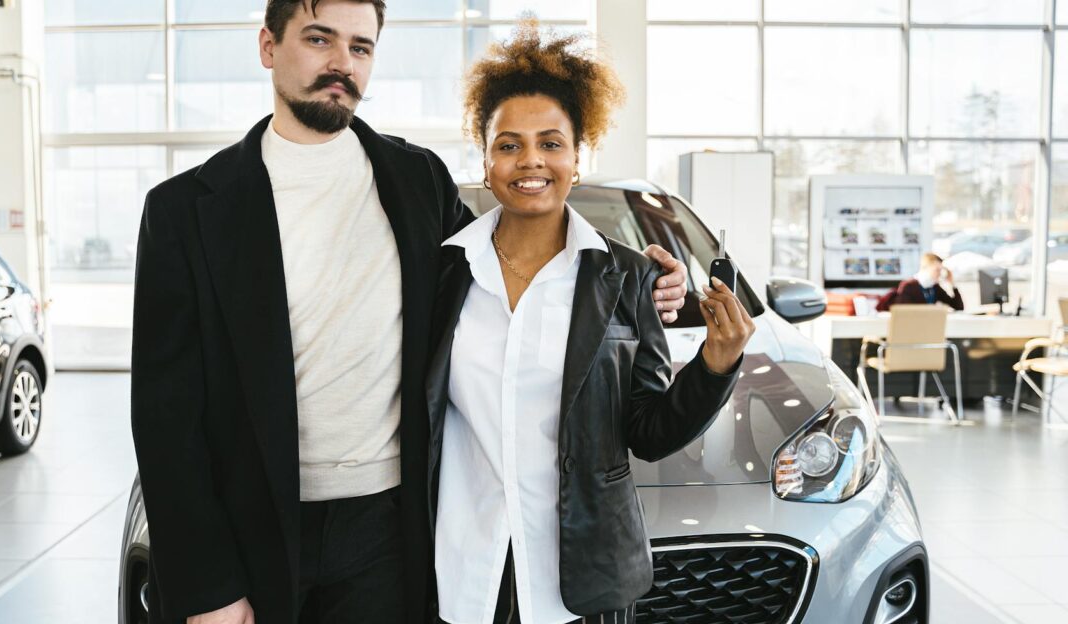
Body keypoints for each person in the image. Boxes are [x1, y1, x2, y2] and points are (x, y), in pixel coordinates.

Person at [129, 2, 692, 623]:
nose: (342, 63)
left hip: (387, 532)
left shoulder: (417, 181)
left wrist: (645, 280)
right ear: (268, 46)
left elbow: (517, 258)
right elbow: (165, 418)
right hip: (253, 525)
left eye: (361, 47)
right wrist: (209, 587)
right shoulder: (184, 211)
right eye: (320, 39)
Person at [426, 22, 755, 624]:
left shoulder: (627, 278)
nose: (531, 161)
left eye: (551, 143)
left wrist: (716, 363)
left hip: (580, 580)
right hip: (464, 569)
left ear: (578, 157)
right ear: (486, 159)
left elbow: (648, 430)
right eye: (509, 144)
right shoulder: (446, 272)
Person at [875, 252, 964, 312]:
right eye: (937, 270)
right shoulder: (909, 286)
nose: (939, 274)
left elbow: (958, 307)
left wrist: (952, 284)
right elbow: (905, 313)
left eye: (941, 270)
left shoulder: (934, 287)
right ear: (926, 268)